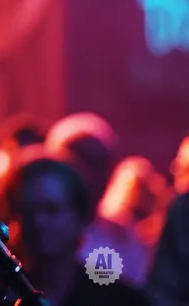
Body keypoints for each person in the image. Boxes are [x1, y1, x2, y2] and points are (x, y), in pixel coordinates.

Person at [0, 155, 149, 306]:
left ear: (81, 217)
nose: (38, 222)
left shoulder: (120, 300)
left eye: (51, 209)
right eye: (26, 210)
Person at [45, 112, 149, 286]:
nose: (90, 174)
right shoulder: (40, 229)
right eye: (79, 161)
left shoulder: (122, 235)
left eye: (99, 163)